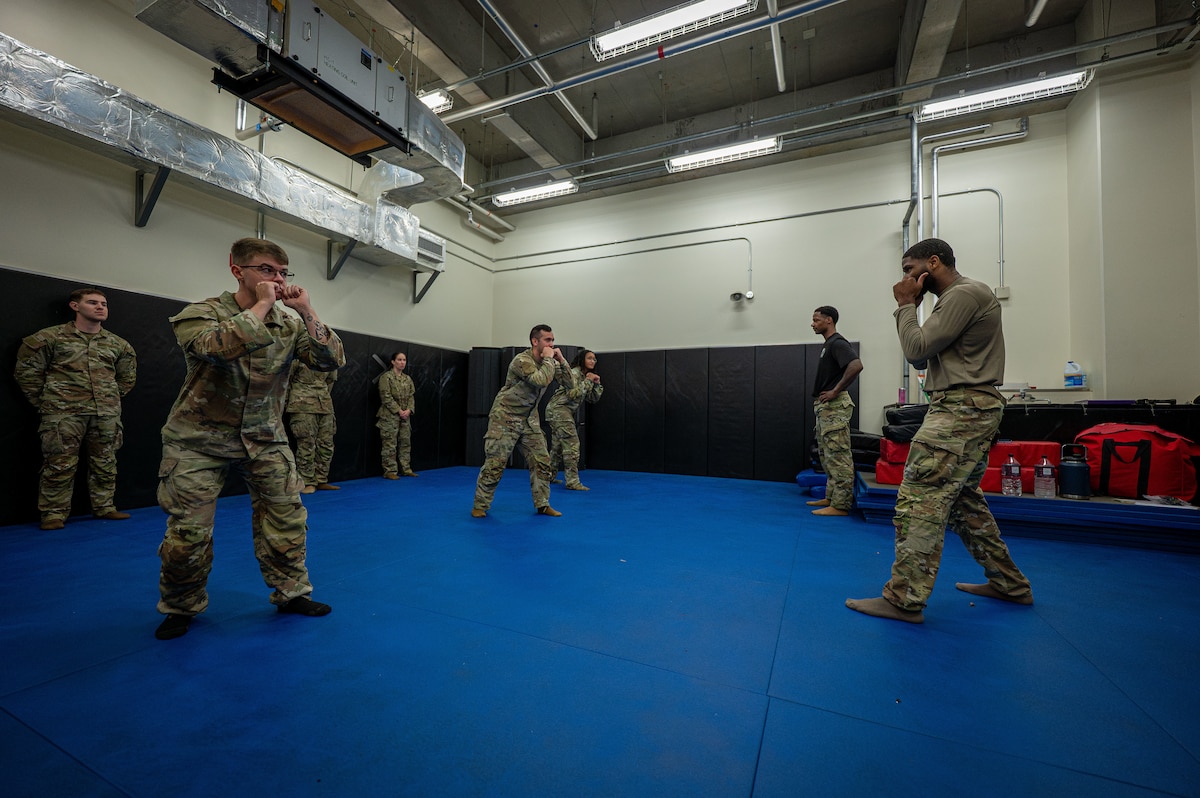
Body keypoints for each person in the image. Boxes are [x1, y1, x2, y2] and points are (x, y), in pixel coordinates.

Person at [153, 238, 345, 640]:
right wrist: (261, 305)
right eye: (266, 270)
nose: (277, 279)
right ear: (237, 270)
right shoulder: (202, 313)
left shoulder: (289, 324)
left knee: (287, 520)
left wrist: (306, 310)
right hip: (198, 440)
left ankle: (292, 592)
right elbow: (215, 348)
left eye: (282, 273)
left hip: (265, 436)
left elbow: (330, 360)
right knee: (189, 534)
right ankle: (181, 605)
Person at [846, 238, 1033, 624]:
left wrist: (904, 306)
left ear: (933, 262)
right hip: (965, 406)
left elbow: (916, 349)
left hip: (961, 408)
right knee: (963, 503)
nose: (905, 278)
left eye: (909, 269)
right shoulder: (955, 299)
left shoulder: (963, 294)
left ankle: (904, 599)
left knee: (920, 496)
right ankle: (1009, 584)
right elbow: (924, 353)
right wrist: (912, 308)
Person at [14, 288, 137, 530]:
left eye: (103, 304)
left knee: (105, 462)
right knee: (59, 464)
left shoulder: (118, 344)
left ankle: (104, 506)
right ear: (75, 306)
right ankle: (53, 513)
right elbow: (27, 373)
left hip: (105, 413)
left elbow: (126, 379)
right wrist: (50, 402)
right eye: (92, 302)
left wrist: (108, 399)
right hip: (63, 414)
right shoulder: (49, 338)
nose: (100, 307)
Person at [472, 325, 573, 518]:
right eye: (547, 340)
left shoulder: (550, 361)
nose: (552, 344)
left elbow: (570, 384)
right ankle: (480, 505)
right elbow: (541, 380)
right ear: (535, 341)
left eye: (553, 340)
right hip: (505, 417)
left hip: (529, 419)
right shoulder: (521, 361)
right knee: (495, 463)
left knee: (542, 461)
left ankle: (543, 504)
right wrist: (550, 360)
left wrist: (561, 360)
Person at [808, 306, 863, 517]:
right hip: (826, 408)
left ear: (829, 320)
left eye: (816, 320)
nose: (812, 324)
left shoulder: (838, 343)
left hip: (835, 406)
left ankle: (840, 505)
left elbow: (856, 365)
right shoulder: (828, 345)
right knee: (827, 455)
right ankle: (831, 497)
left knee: (838, 455)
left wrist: (835, 391)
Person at [546, 349, 603, 490]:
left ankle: (548, 476)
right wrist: (588, 381)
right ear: (582, 360)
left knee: (558, 447)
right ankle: (572, 481)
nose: (593, 361)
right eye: (589, 358)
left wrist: (596, 384)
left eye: (594, 359)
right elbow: (573, 394)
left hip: (560, 411)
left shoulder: (585, 376)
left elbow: (592, 399)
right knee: (572, 444)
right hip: (559, 410)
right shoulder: (575, 373)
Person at [286, 361, 339, 493]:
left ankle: (321, 479)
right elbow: (287, 380)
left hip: (324, 405)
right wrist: (287, 402)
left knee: (326, 444)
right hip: (302, 404)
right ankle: (307, 481)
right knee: (306, 444)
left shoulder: (329, 359)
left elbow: (330, 380)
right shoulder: (298, 358)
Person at [377, 351, 417, 478]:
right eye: (399, 360)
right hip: (390, 416)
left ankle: (406, 468)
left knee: (405, 443)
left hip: (405, 416)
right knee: (390, 444)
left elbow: (411, 396)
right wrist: (399, 410)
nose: (402, 362)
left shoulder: (407, 379)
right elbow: (386, 397)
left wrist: (409, 410)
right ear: (393, 362)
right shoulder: (386, 378)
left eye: (404, 360)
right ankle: (390, 471)